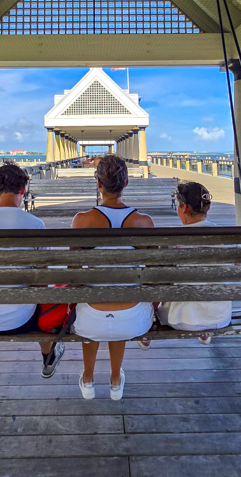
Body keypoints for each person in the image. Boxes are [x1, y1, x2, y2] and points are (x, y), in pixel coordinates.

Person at [0, 161, 65, 377]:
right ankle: (48, 357)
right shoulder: (35, 225)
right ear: (23, 190)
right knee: (42, 299)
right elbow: (42, 281)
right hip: (21, 320)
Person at [71, 153, 155, 400]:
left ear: (98, 184)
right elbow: (154, 274)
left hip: (90, 319)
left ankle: (88, 378)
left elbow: (73, 273)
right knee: (122, 298)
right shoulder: (144, 222)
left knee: (89, 302)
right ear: (126, 183)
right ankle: (115, 379)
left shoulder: (82, 220)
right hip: (132, 319)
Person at [156, 180, 232, 344]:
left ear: (184, 207)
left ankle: (147, 327)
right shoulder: (228, 236)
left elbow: (158, 278)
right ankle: (205, 329)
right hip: (220, 318)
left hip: (181, 319)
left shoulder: (171, 239)